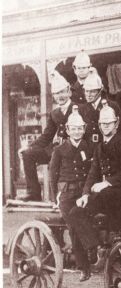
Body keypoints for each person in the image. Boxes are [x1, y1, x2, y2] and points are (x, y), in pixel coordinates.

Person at [68, 102, 121, 269]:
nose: (105, 127)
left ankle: (111, 236)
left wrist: (106, 183)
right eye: (102, 124)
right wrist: (84, 195)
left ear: (116, 123)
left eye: (109, 123)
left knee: (105, 195)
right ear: (99, 125)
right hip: (103, 194)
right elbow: (92, 173)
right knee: (75, 212)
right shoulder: (99, 148)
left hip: (118, 193)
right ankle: (95, 247)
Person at [49, 106, 92, 281]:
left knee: (86, 219)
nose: (76, 132)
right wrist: (55, 197)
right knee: (73, 226)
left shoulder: (88, 146)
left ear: (84, 129)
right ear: (67, 130)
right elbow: (53, 175)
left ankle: (92, 249)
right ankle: (84, 267)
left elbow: (92, 170)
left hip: (83, 192)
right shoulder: (59, 150)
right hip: (66, 195)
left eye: (80, 128)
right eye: (73, 129)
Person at [19, 71, 74, 201]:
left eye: (62, 92)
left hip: (73, 150)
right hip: (57, 149)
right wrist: (28, 147)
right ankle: (34, 193)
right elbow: (46, 136)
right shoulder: (55, 113)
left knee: (55, 162)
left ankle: (56, 199)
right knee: (28, 155)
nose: (59, 96)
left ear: (68, 91)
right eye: (56, 93)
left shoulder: (78, 108)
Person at [79, 67, 121, 153]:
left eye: (92, 91)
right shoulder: (82, 109)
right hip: (89, 151)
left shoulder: (112, 105)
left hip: (108, 149)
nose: (88, 95)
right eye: (86, 91)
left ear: (100, 91)